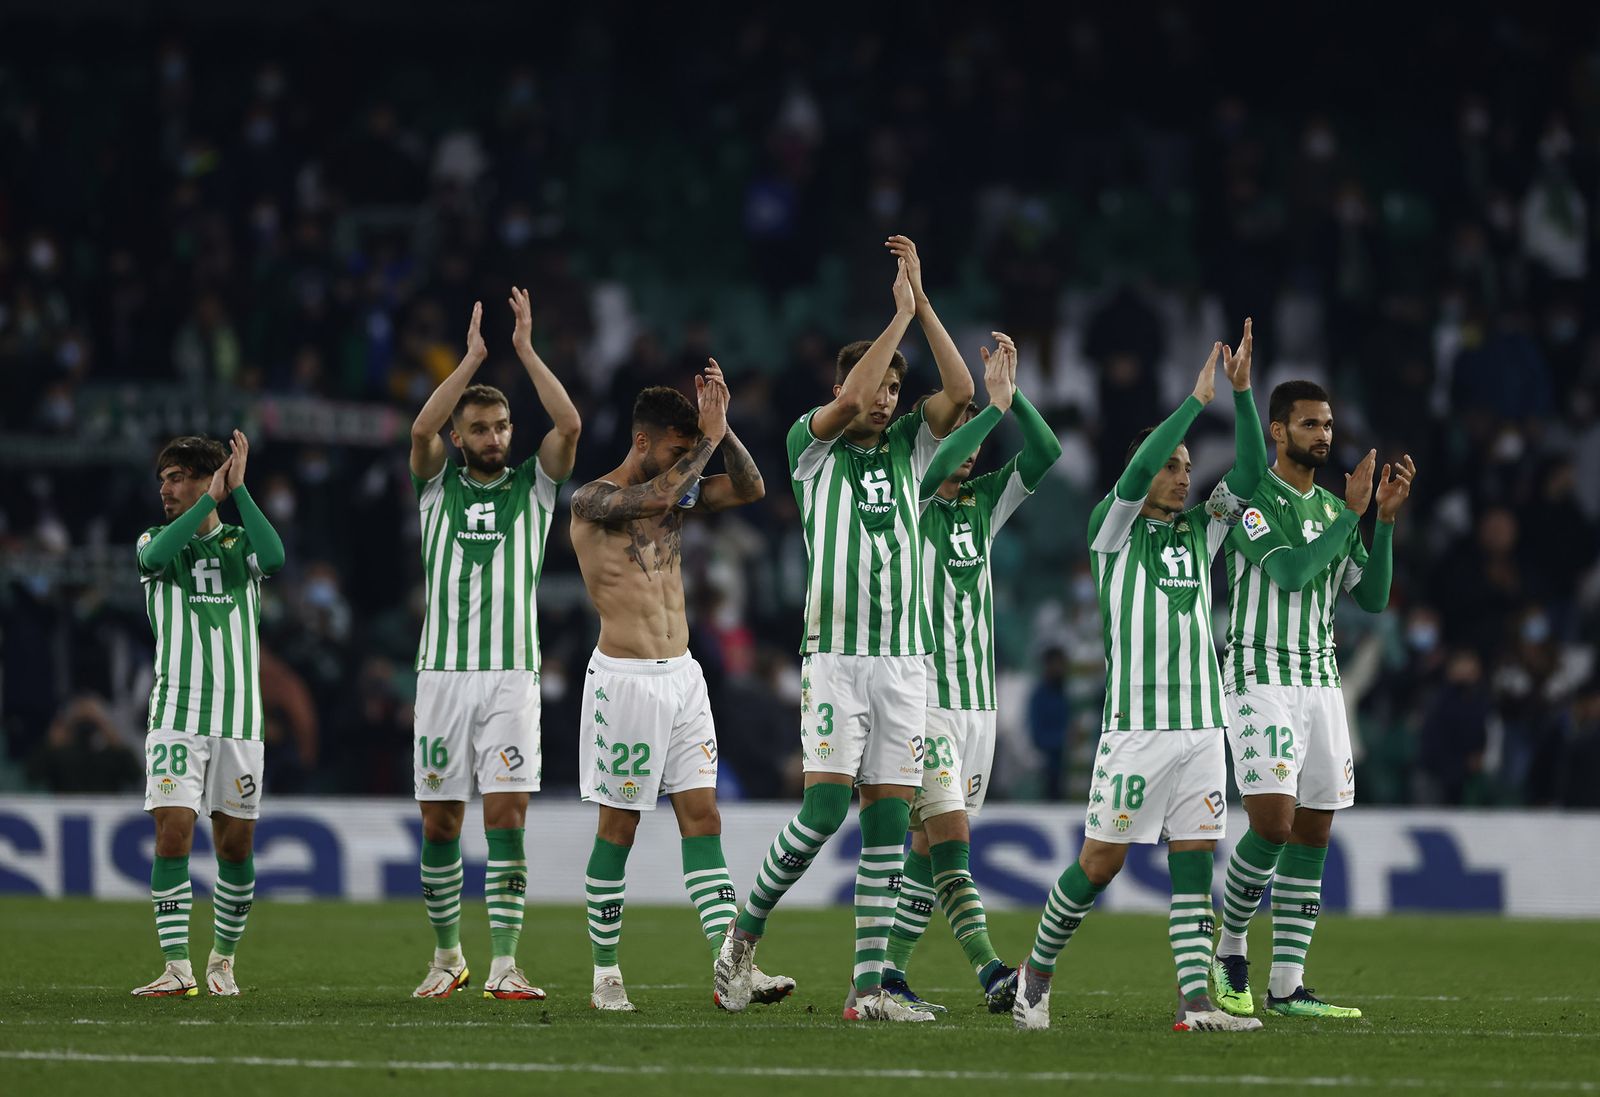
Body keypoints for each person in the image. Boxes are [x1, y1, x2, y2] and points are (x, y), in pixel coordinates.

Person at [716, 236, 976, 1022]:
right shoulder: (810, 444)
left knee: (890, 825)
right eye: (878, 384)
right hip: (835, 659)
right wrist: (893, 320)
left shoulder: (910, 450)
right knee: (825, 811)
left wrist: (921, 306)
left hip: (905, 663)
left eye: (899, 388)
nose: (889, 398)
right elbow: (854, 395)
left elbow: (962, 389)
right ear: (843, 386)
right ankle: (741, 940)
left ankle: (867, 990)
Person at [1014, 324, 1267, 1033]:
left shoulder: (1202, 531)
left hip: (1201, 733)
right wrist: (1191, 403)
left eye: (1188, 465)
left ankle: (1194, 1003)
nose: (1185, 474)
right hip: (1136, 732)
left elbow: (1246, 473)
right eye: (1174, 464)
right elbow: (1132, 474)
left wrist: (1242, 396)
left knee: (1194, 869)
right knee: (1100, 863)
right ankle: (1035, 975)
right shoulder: (1110, 529)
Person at [568, 364, 794, 1011]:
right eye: (676, 448)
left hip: (684, 674)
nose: (685, 461)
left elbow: (749, 487)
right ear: (644, 441)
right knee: (621, 824)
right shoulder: (593, 500)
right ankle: (605, 974)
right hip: (626, 680)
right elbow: (664, 496)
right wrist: (707, 440)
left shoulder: (679, 484)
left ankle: (731, 967)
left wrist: (722, 434)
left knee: (705, 815)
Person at [1211, 379, 1415, 1019]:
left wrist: (1380, 523)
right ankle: (1230, 950)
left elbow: (1374, 598)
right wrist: (1354, 516)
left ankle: (1287, 986)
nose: (1324, 436)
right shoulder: (1246, 499)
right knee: (1271, 821)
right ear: (1277, 430)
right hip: (1258, 673)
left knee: (1315, 826)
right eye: (1309, 425)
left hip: (1320, 681)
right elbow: (1292, 574)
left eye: (1328, 425)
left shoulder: (1336, 507)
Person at [874, 331, 1061, 1014]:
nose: (971, 443)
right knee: (950, 837)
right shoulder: (912, 496)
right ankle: (991, 970)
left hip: (978, 706)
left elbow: (1047, 454)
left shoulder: (984, 502)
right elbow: (936, 459)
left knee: (928, 847)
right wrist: (984, 410)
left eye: (976, 433)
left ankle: (890, 969)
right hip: (923, 698)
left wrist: (1015, 403)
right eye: (956, 429)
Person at [407, 291, 581, 1000]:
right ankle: (448, 954)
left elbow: (568, 422)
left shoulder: (534, 489)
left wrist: (527, 353)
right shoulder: (434, 487)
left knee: (507, 814)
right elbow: (419, 429)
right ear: (459, 437)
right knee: (441, 819)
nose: (495, 437)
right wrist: (472, 359)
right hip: (442, 675)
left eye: (502, 425)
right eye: (479, 428)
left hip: (512, 676)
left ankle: (506, 962)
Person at [132, 430, 284, 997]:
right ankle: (177, 966)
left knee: (235, 847)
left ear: (206, 477)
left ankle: (222, 960)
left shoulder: (242, 544)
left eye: (178, 478)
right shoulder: (156, 541)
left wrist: (236, 493)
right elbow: (153, 556)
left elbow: (276, 557)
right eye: (163, 480)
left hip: (240, 720)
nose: (166, 489)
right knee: (172, 834)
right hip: (177, 713)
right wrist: (206, 500)